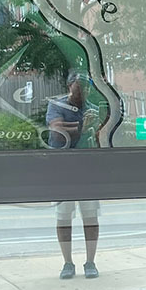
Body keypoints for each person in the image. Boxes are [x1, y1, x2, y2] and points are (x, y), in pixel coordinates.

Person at [46, 71, 101, 279]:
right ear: (70, 86)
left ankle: (90, 261)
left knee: (91, 215)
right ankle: (67, 262)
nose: (83, 91)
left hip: (87, 169)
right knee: (63, 216)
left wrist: (97, 127)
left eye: (87, 87)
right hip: (62, 169)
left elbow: (100, 138)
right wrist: (82, 127)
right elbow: (56, 131)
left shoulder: (92, 109)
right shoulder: (57, 105)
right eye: (80, 87)